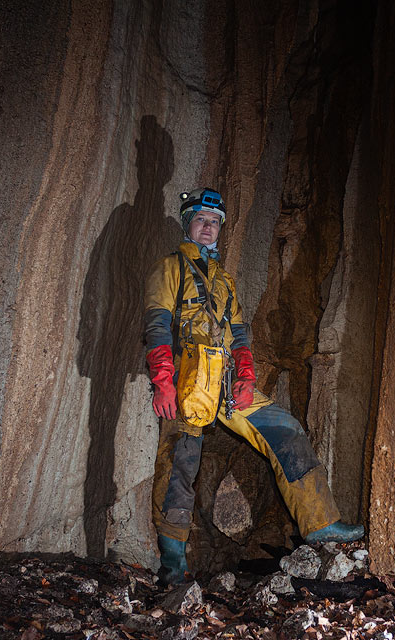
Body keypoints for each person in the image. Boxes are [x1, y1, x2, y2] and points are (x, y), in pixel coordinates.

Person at [143, 187, 364, 586]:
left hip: (226, 379)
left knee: (285, 429)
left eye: (214, 222)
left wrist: (246, 377)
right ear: (188, 223)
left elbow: (241, 338)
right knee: (180, 465)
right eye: (201, 220)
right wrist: (163, 382)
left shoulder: (225, 282)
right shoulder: (170, 268)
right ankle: (172, 566)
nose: (208, 227)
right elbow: (158, 327)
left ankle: (320, 522)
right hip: (189, 376)